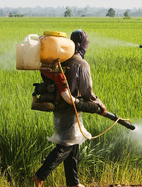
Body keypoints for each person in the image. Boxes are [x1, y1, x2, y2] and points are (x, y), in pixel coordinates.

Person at [33, 29, 106, 187]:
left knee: (74, 142)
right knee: (66, 145)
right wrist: (99, 105)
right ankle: (40, 175)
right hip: (69, 107)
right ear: (83, 45)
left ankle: (73, 183)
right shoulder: (81, 64)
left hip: (60, 106)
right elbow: (88, 93)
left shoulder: (61, 60)